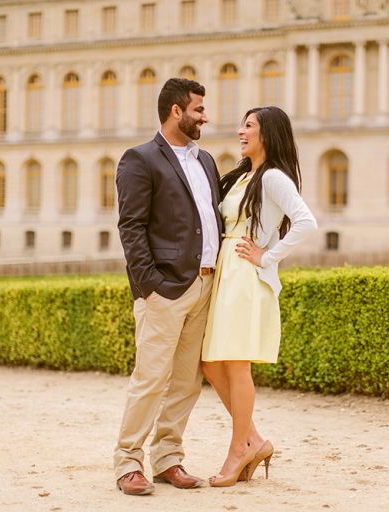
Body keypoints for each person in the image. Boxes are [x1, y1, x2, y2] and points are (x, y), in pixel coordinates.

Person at [113, 78, 222, 496]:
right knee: (150, 379)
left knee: (185, 382)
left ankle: (168, 459)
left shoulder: (206, 160)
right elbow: (131, 227)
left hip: (205, 286)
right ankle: (127, 462)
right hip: (164, 290)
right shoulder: (140, 159)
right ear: (176, 111)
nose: (205, 117)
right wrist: (150, 285)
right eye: (198, 109)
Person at [200, 106, 318, 487]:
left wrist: (268, 255)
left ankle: (238, 450)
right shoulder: (242, 176)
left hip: (246, 276)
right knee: (211, 364)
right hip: (227, 273)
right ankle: (253, 440)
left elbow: (306, 222)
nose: (240, 131)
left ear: (267, 134)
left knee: (235, 366)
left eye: (248, 126)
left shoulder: (273, 178)